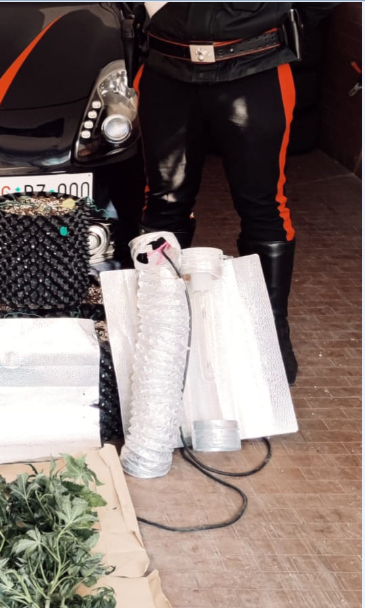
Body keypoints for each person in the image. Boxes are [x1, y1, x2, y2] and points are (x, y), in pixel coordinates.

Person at [126, 2, 338, 384]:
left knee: (262, 205)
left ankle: (270, 335)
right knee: (163, 204)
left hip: (255, 66)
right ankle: (157, 333)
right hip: (166, 68)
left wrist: (264, 13)